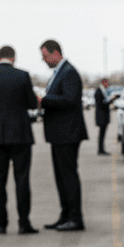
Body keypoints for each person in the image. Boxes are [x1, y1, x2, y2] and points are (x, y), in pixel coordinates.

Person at [0, 45, 40, 235]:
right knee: (22, 179)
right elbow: (31, 103)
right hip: (20, 135)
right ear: (14, 58)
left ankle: (1, 224)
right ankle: (23, 223)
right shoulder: (22, 76)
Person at [39, 39, 89, 231]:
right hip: (59, 134)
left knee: (68, 176)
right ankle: (65, 214)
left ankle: (75, 218)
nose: (44, 60)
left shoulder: (69, 73)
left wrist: (43, 99)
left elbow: (69, 99)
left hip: (67, 133)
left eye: (45, 56)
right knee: (61, 177)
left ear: (56, 53)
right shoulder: (60, 72)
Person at [94, 77, 112, 155]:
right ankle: (100, 149)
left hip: (103, 115)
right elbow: (101, 104)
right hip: (102, 116)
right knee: (102, 133)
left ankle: (101, 148)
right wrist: (111, 101)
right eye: (107, 83)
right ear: (104, 82)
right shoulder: (99, 91)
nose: (108, 85)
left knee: (102, 133)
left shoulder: (102, 91)